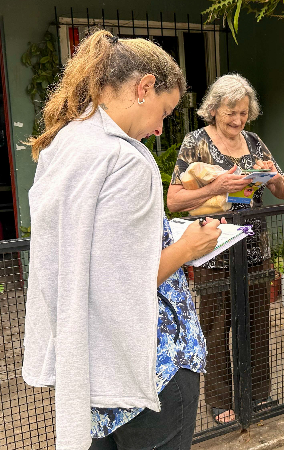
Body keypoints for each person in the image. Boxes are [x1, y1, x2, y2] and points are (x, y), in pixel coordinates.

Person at [23, 30, 224, 450]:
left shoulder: (65, 144)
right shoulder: (126, 160)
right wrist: (188, 248)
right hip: (149, 365)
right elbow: (125, 283)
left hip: (90, 362)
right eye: (164, 112)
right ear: (144, 87)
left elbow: (82, 252)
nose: (158, 129)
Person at [166, 73, 284, 425]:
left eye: (243, 112)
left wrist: (275, 176)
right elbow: (174, 201)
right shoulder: (196, 143)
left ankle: (258, 393)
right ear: (213, 110)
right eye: (230, 113)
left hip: (255, 250)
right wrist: (217, 186)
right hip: (213, 250)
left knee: (257, 325)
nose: (238, 120)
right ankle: (220, 400)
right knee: (216, 326)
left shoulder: (254, 142)